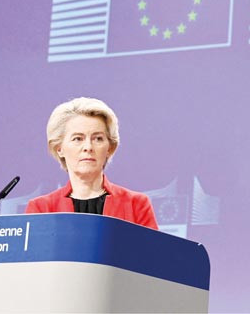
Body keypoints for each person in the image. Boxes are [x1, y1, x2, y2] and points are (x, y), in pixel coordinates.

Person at [26, 97, 159, 229]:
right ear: (59, 148)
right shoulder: (41, 209)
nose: (88, 147)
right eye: (78, 139)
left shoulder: (136, 205)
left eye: (98, 139)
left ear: (109, 148)